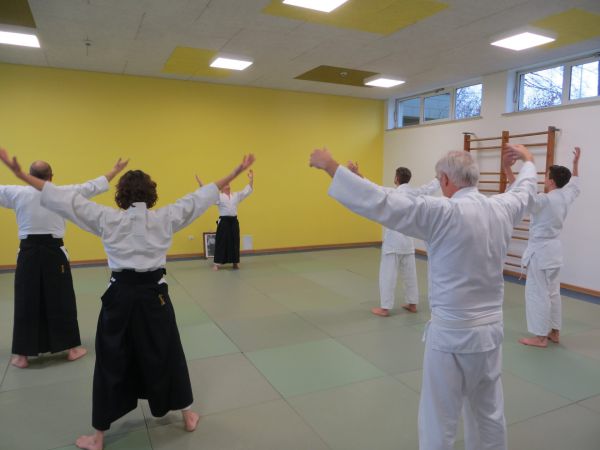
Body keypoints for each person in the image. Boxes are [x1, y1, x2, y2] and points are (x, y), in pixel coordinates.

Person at [1, 147, 255, 450]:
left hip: (119, 297)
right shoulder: (166, 217)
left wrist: (22, 176)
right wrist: (236, 171)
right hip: (154, 297)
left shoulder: (106, 218)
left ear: (120, 196)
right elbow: (202, 197)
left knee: (110, 360)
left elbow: (64, 201)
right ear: (152, 195)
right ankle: (187, 414)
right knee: (167, 352)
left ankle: (98, 437)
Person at [310, 144, 537, 450]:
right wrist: (529, 161)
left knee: (439, 417)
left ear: (445, 180)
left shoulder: (441, 212)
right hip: (490, 333)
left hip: (450, 336)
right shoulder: (501, 208)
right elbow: (525, 190)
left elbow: (383, 203)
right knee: (489, 413)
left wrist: (330, 166)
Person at [0, 155, 128, 369]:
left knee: (26, 300)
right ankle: (72, 349)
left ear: (30, 176)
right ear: (51, 177)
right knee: (61, 298)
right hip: (53, 253)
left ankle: (22, 355)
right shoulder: (62, 193)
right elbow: (92, 187)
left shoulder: (15, 193)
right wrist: (115, 170)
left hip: (28, 253)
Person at [504, 147, 581, 348]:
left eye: (546, 176)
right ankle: (554, 332)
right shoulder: (565, 196)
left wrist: (507, 169)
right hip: (554, 253)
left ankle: (540, 337)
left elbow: (521, 193)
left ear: (551, 181)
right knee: (553, 292)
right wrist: (575, 164)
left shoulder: (544, 200)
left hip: (540, 253)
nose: (544, 178)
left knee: (537, 293)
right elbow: (575, 183)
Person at [346, 162, 439, 316]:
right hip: (408, 243)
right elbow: (430, 187)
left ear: (396, 178)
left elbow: (371, 187)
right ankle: (412, 304)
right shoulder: (416, 193)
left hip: (393, 244)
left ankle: (385, 308)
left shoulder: (391, 193)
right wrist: (439, 177)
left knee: (387, 276)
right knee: (410, 275)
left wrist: (356, 174)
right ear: (408, 179)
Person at [210, 169, 253, 270]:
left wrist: (251, 179)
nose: (228, 185)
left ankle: (235, 262)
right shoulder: (219, 196)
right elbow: (208, 196)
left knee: (235, 241)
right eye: (225, 184)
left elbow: (246, 191)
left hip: (234, 221)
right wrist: (201, 185)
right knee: (221, 241)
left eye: (228, 184)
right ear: (221, 188)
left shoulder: (236, 195)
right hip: (224, 222)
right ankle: (217, 263)